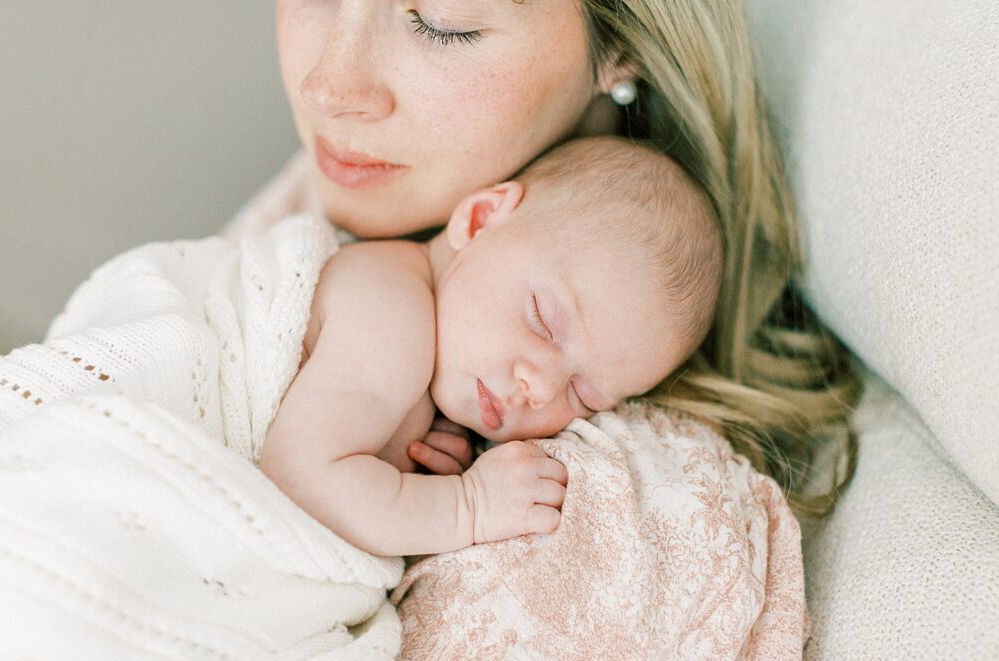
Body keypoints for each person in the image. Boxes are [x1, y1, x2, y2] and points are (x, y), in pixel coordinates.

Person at [269, 0, 860, 514]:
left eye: (443, 22)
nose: (327, 88)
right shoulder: (311, 206)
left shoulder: (611, 496)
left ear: (623, 41)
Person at [259, 136, 723, 556]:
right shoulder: (390, 310)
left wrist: (404, 464)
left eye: (583, 396)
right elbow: (297, 479)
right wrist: (467, 506)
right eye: (543, 320)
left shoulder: (429, 357)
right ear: (481, 220)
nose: (539, 389)